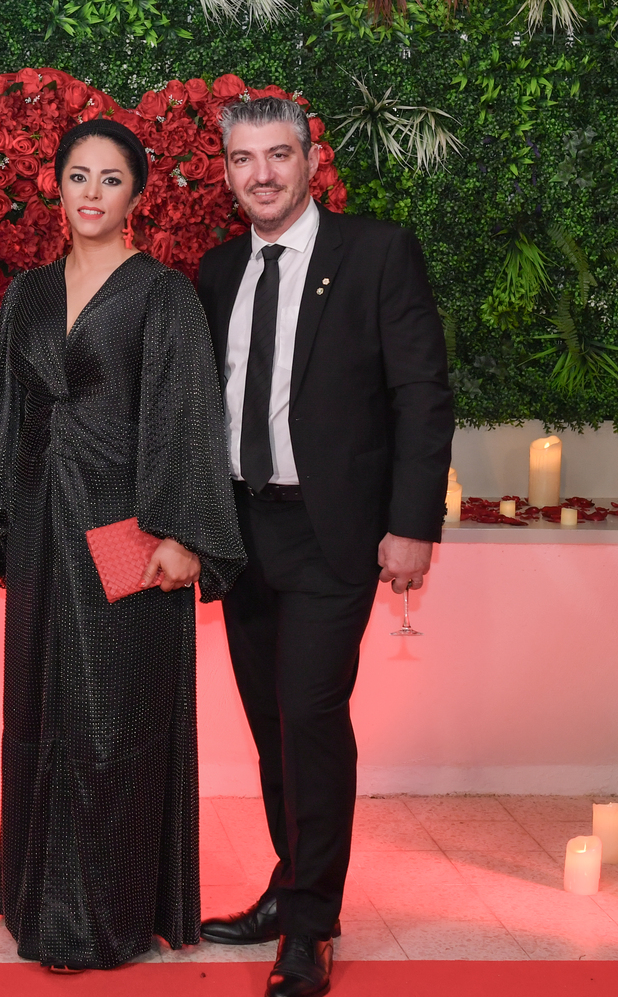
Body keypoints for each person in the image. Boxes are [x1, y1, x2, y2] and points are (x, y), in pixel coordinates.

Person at [0, 118, 246, 972]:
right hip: (40, 530)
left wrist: (183, 534)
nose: (91, 192)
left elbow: (190, 416)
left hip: (129, 533)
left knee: (113, 717)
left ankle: (101, 919)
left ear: (136, 196)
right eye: (78, 175)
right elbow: (2, 407)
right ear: (56, 185)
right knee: (39, 712)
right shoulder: (29, 294)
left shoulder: (163, 295)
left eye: (110, 179)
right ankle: (41, 904)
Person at [193, 97, 453, 997]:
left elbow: (423, 395)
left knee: (309, 715)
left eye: (278, 155)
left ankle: (310, 924)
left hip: (332, 532)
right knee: (270, 722)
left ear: (311, 161)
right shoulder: (218, 269)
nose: (261, 174)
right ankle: (290, 882)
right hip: (239, 529)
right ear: (228, 171)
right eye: (242, 159)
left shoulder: (377, 253)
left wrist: (412, 524)